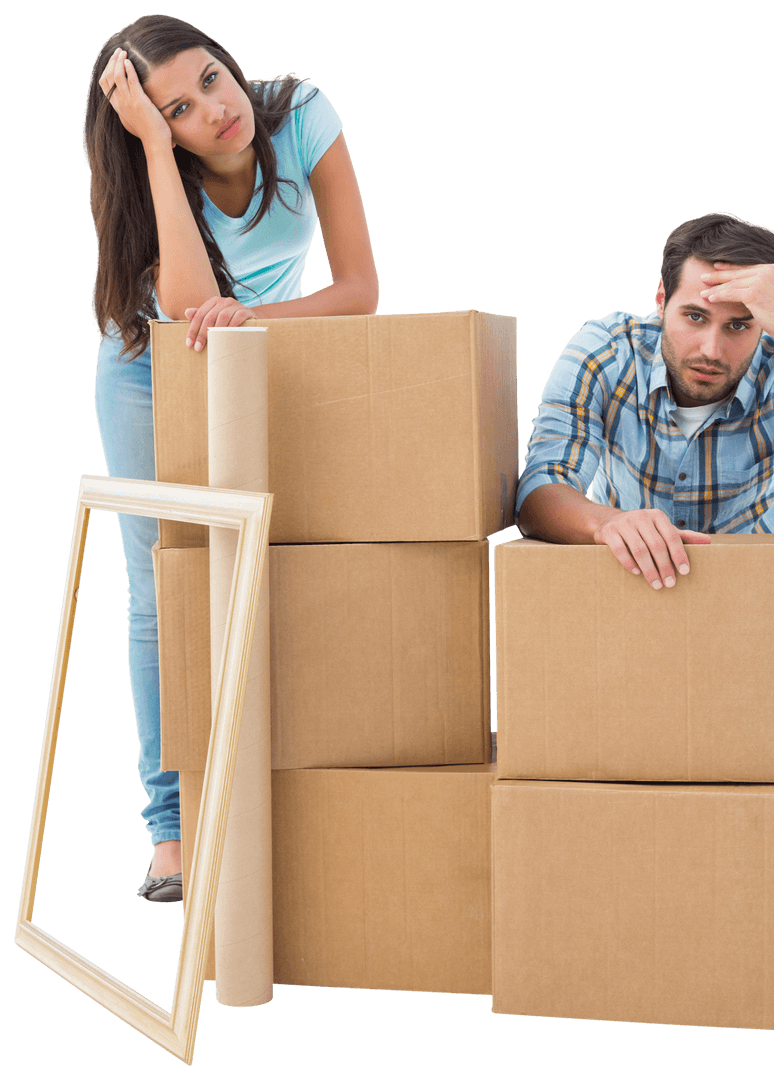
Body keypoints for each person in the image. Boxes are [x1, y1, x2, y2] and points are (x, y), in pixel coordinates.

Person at [516, 211, 774, 952]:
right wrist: (606, 523)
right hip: (622, 596)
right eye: (691, 317)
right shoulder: (603, 348)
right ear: (658, 299)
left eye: (739, 326)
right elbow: (534, 490)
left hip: (750, 622)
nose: (710, 348)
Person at [84, 15, 378, 901]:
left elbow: (359, 292)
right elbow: (183, 309)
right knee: (163, 583)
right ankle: (168, 831)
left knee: (277, 562)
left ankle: (285, 791)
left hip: (265, 346)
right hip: (148, 362)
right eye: (178, 107)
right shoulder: (153, 173)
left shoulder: (301, 115)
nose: (216, 110)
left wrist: (255, 322)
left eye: (212, 78)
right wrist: (148, 146)